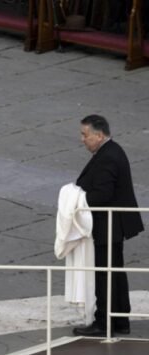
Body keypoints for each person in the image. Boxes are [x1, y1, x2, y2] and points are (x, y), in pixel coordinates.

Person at [73, 115, 144, 337]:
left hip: (109, 225)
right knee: (115, 272)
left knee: (106, 274)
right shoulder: (111, 151)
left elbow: (102, 195)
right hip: (114, 224)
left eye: (85, 135)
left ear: (99, 135)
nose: (82, 139)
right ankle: (120, 319)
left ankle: (104, 322)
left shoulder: (108, 157)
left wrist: (76, 201)